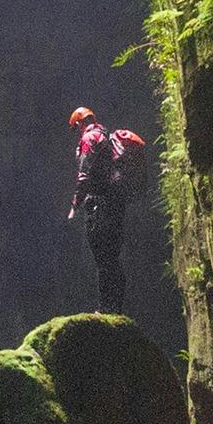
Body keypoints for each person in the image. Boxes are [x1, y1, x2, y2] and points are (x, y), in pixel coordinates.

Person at [67, 106, 146, 315]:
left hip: (100, 205)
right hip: (116, 203)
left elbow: (84, 176)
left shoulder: (90, 139)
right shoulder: (107, 138)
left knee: (103, 258)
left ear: (79, 124)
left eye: (76, 129)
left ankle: (105, 309)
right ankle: (116, 309)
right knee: (113, 258)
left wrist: (75, 205)